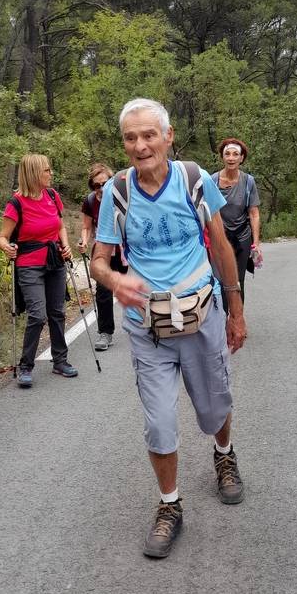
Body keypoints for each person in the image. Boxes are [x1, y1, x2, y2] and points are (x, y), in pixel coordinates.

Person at [90, 98, 247, 559]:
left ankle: (224, 453)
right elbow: (99, 260)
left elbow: (219, 245)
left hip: (202, 316)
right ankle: (170, 505)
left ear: (168, 135)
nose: (140, 146)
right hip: (148, 327)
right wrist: (115, 279)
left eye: (148, 135)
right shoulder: (116, 193)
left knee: (214, 404)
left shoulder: (194, 179)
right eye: (131, 138)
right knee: (159, 422)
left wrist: (235, 310)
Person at [0, 153, 78, 388]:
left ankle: (60, 361)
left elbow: (60, 225)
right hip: (29, 264)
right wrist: (7, 248)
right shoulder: (16, 204)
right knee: (37, 314)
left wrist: (66, 245)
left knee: (58, 312)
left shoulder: (52, 196)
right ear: (34, 174)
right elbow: (2, 237)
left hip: (55, 261)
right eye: (47, 170)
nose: (51, 173)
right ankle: (25, 366)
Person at [78, 162, 128, 352]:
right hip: (103, 250)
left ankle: (143, 324)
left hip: (125, 249)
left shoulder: (122, 195)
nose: (101, 188)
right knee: (103, 292)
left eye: (105, 183)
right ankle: (105, 332)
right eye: (96, 185)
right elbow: (87, 226)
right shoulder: (90, 201)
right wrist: (83, 241)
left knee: (136, 286)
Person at [211, 138, 261, 306]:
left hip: (242, 237)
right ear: (222, 157)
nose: (231, 158)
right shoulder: (211, 181)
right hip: (219, 237)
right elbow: (206, 212)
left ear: (242, 158)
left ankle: (237, 320)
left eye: (235, 154)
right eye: (227, 154)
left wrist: (256, 243)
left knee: (238, 280)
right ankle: (223, 318)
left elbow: (254, 213)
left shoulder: (248, 182)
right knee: (220, 279)